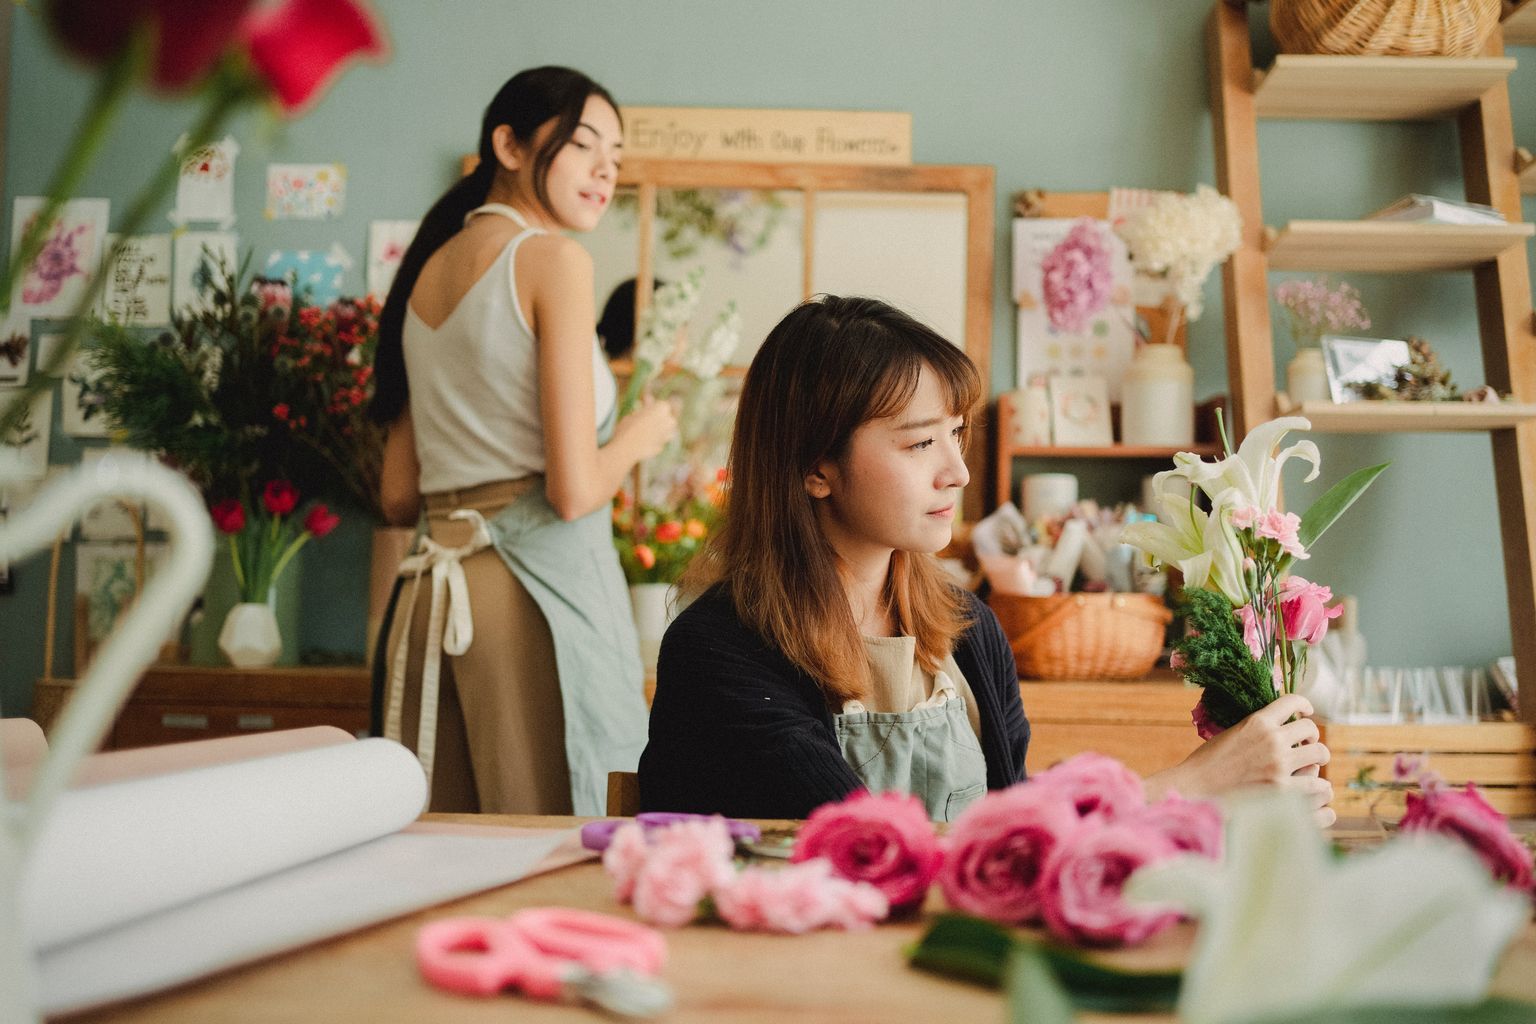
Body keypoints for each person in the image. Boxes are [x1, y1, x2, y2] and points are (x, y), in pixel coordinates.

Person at [639, 295, 1334, 825]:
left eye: (956, 435)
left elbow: (1009, 826)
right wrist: (1188, 784)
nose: (957, 473)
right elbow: (871, 852)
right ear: (815, 468)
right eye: (918, 445)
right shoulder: (720, 651)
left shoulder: (966, 629)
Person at [370, 66, 676, 816]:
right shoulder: (553, 262)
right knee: (559, 835)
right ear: (508, 145)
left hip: (429, 601)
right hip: (534, 597)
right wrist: (640, 434)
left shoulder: (425, 276)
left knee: (445, 844)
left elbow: (398, 494)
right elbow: (573, 490)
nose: (606, 168)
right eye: (582, 144)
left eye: (617, 154)